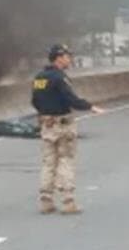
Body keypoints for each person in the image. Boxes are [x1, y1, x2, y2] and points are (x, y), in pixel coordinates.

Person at [31, 44, 104, 215]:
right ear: (58, 58)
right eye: (67, 56)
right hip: (63, 125)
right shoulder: (59, 78)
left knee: (48, 163)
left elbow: (34, 101)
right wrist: (91, 107)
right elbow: (71, 99)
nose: (69, 59)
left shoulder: (39, 77)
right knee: (65, 160)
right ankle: (68, 201)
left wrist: (46, 111)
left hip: (46, 125)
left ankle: (45, 201)